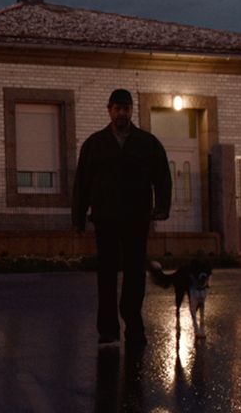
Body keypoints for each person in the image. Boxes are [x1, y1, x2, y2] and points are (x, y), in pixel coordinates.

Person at [72, 88, 172, 350]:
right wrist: (78, 217)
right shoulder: (94, 144)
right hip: (105, 218)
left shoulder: (147, 144)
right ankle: (108, 330)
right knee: (106, 274)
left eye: (126, 108)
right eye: (117, 108)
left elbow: (162, 176)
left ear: (131, 110)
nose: (121, 113)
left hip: (136, 218)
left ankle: (134, 325)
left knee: (135, 273)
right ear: (109, 110)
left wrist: (162, 206)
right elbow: (82, 182)